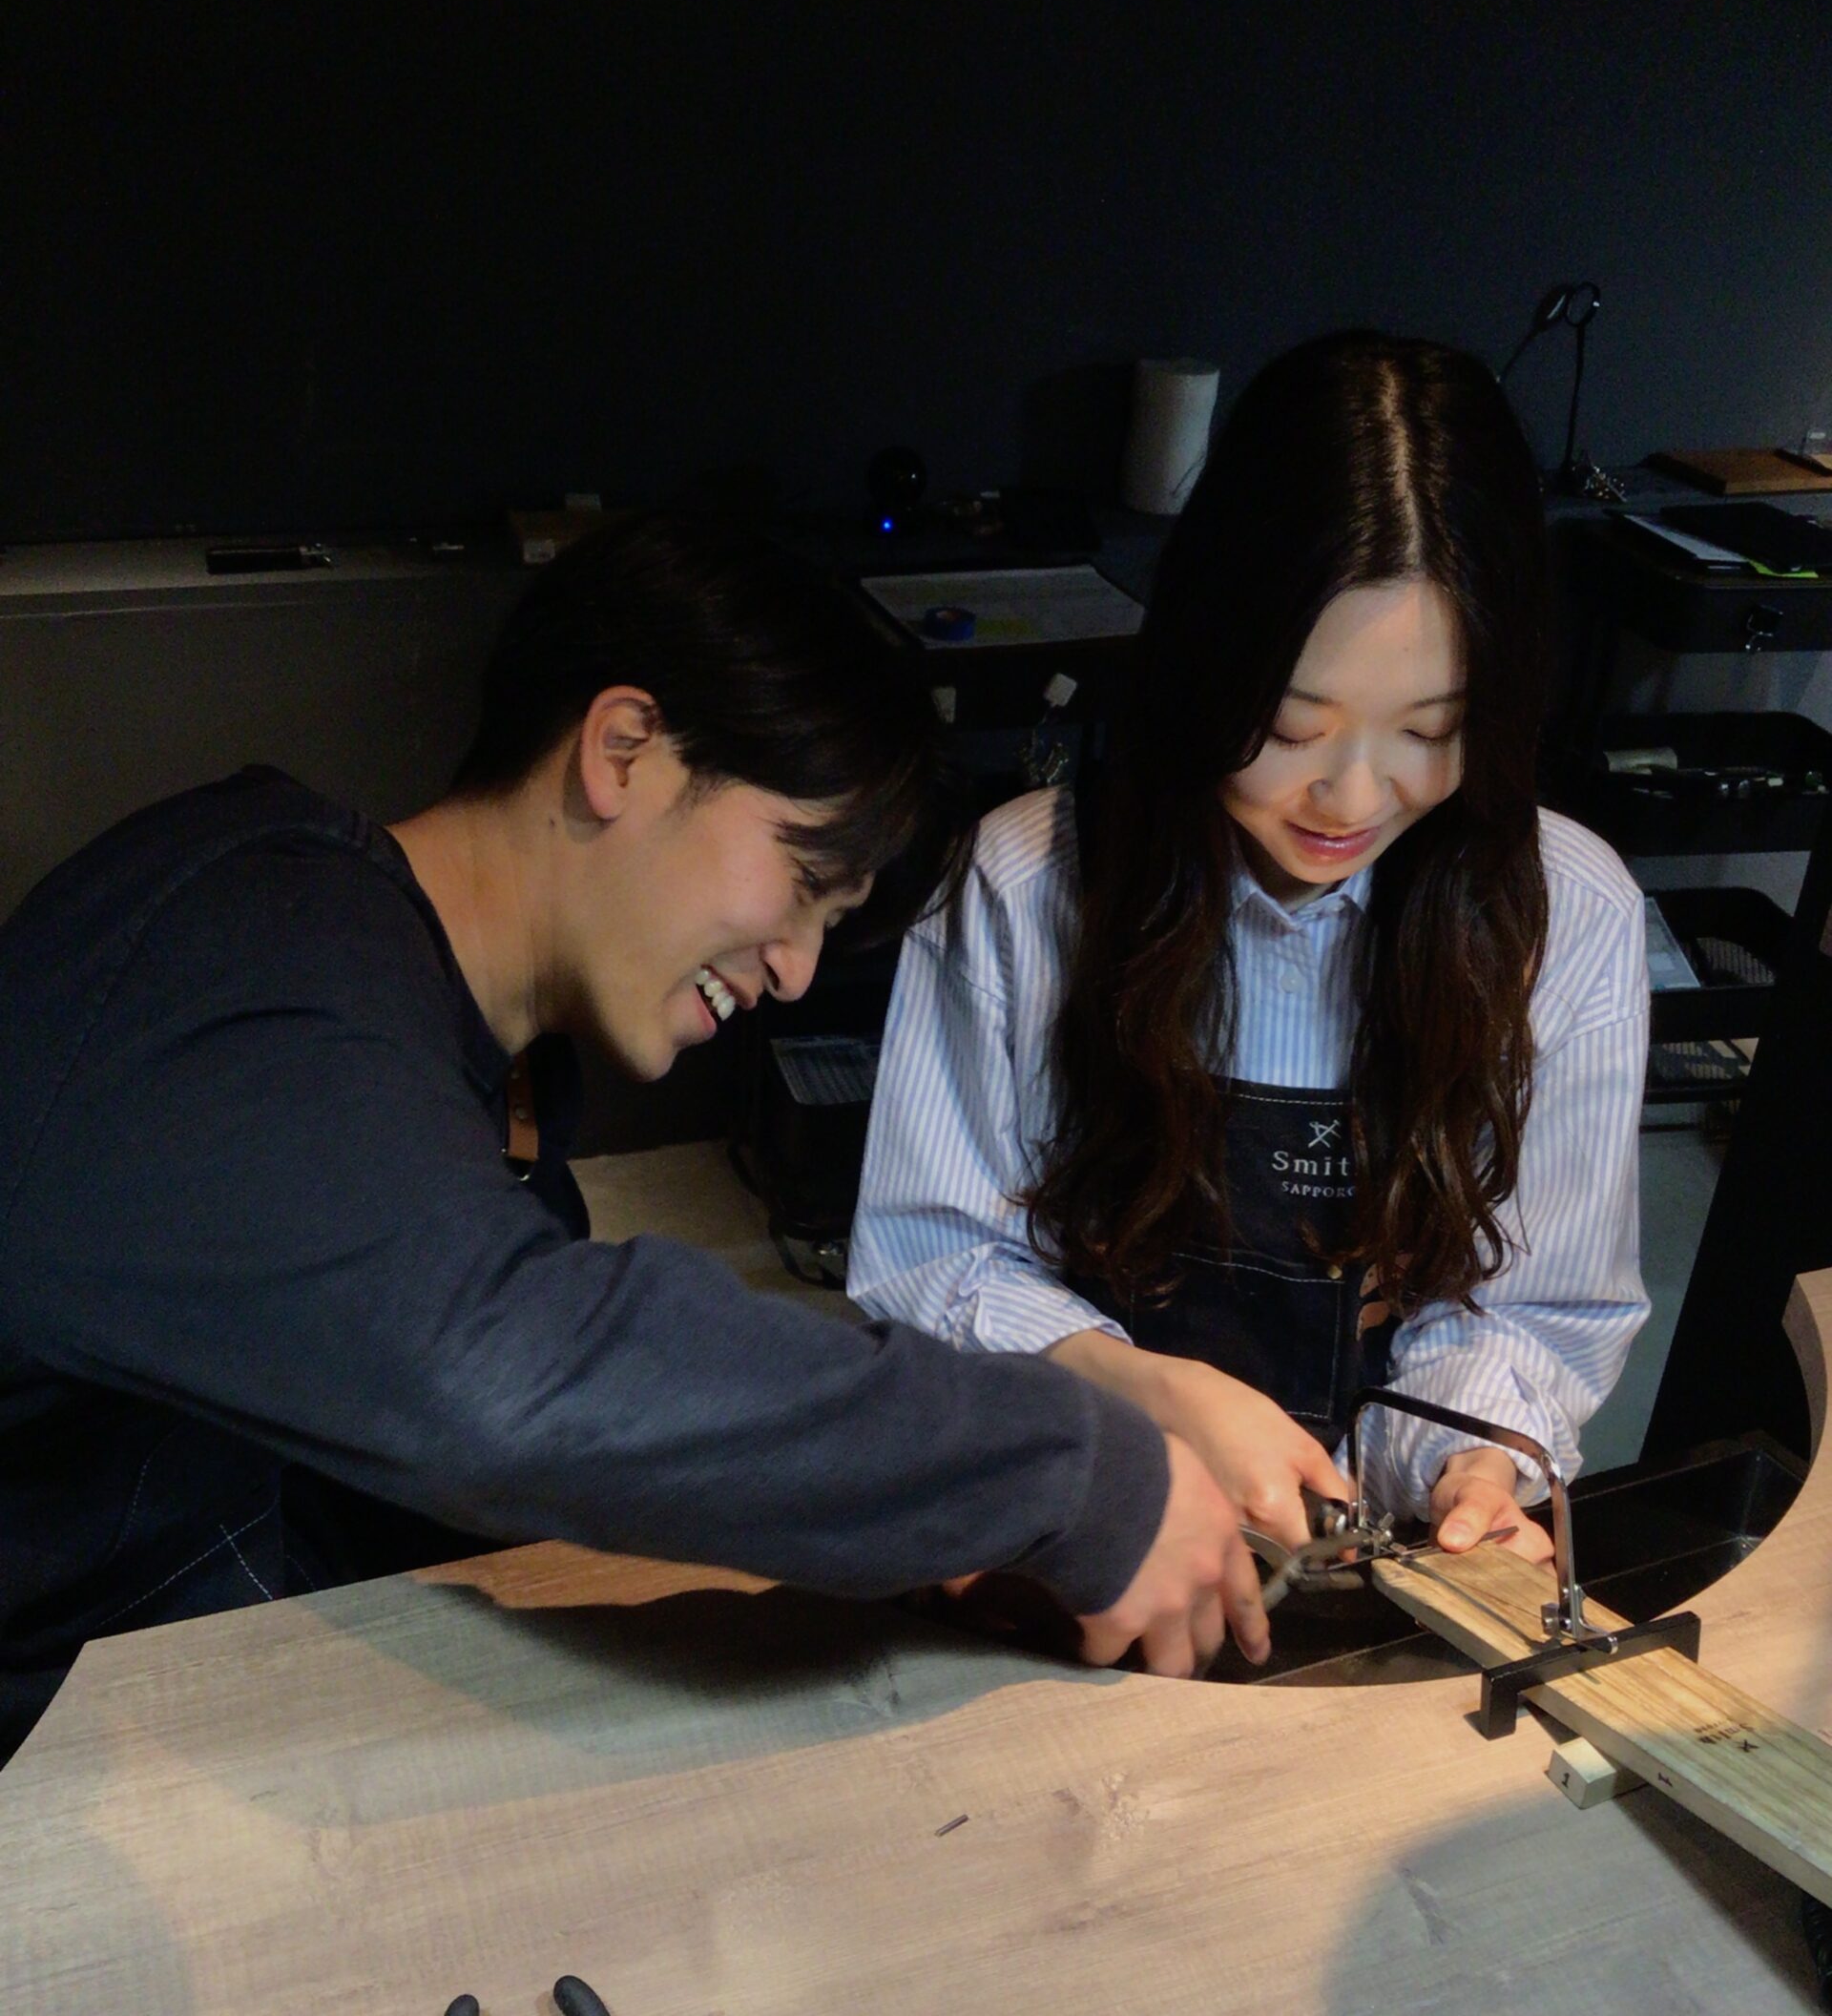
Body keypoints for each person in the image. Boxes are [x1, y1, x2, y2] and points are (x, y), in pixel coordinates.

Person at [0, 516, 1273, 1764]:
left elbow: (431, 1480)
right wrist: (1073, 1473)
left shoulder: (476, 1096)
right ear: (625, 749)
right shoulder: (248, 942)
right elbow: (502, 1378)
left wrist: (906, 1538)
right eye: (803, 881)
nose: (794, 969)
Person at [849, 332, 1650, 1564]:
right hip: (1077, 1520)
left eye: (1430, 731)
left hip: (1370, 1559)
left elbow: (1535, 1313)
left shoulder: (1569, 914)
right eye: (1290, 726)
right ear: (1206, 664)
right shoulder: (1029, 882)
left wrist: (1471, 1462)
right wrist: (1145, 1391)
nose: (1352, 797)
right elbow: (927, 1259)